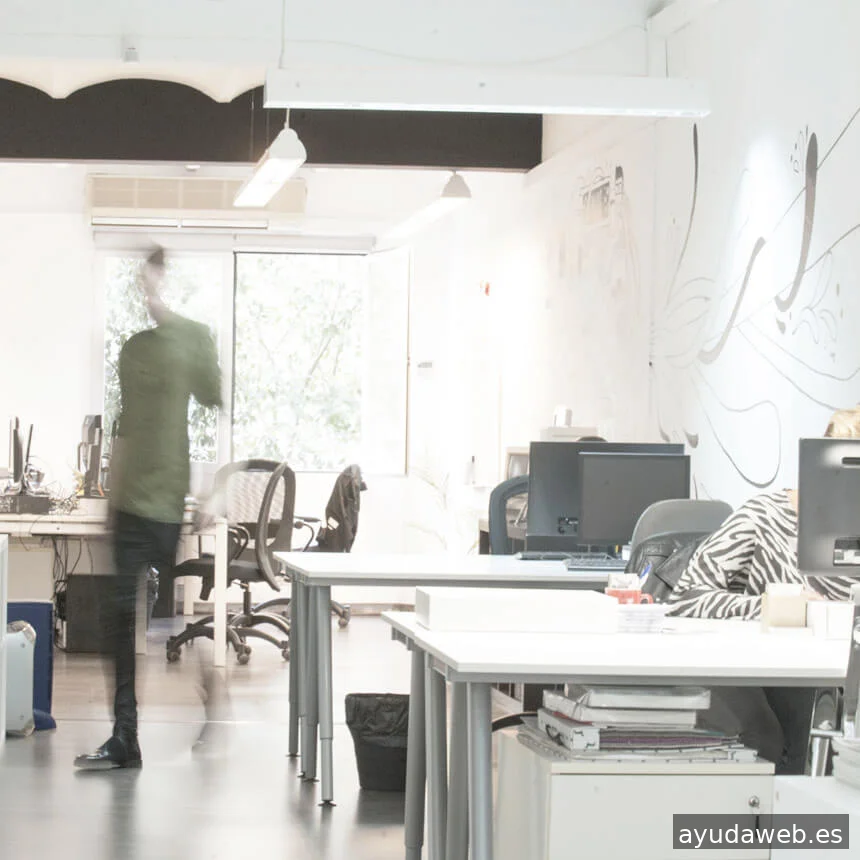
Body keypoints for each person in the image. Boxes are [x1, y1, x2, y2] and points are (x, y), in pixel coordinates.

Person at [75, 246, 221, 770]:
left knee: (167, 618)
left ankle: (212, 687)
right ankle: (125, 737)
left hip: (165, 500)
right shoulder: (132, 349)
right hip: (130, 501)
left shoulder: (193, 338)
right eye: (142, 281)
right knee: (119, 622)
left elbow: (216, 408)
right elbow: (125, 426)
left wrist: (211, 492)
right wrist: (108, 496)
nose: (146, 288)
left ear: (164, 279)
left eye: (152, 278)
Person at [665, 406, 860, 772]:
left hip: (845, 678)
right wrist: (777, 606)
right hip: (781, 682)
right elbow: (686, 596)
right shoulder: (765, 516)